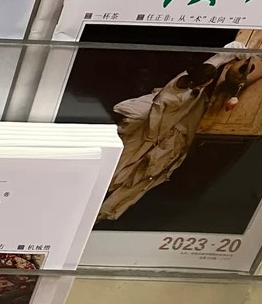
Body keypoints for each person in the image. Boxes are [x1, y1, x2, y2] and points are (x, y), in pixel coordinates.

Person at [98, 48, 239, 222]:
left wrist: (236, 51)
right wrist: (153, 135)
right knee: (127, 159)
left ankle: (108, 201)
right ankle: (102, 189)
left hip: (176, 121)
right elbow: (155, 114)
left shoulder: (195, 80)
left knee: (148, 167)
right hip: (154, 127)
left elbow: (216, 60)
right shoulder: (169, 96)